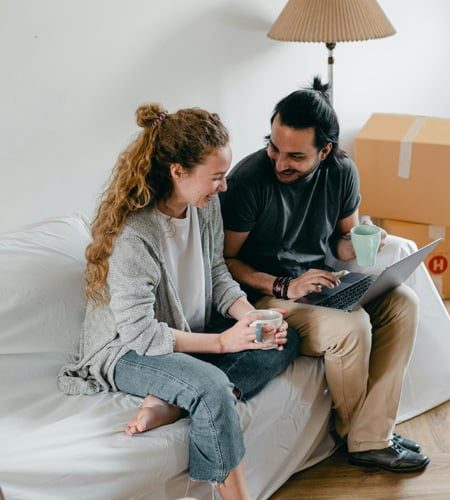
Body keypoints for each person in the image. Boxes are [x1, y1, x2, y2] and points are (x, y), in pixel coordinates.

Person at [57, 103, 300, 499]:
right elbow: (141, 333)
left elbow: (217, 271)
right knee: (212, 386)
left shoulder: (204, 207)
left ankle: (173, 403)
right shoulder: (135, 235)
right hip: (127, 350)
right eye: (216, 178)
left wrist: (251, 316)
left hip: (185, 330)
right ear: (178, 172)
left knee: (284, 338)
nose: (224, 187)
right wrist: (224, 343)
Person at [220, 78, 431, 473]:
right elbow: (227, 262)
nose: (280, 162)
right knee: (353, 330)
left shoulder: (342, 172)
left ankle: (372, 435)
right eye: (273, 146)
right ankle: (363, 438)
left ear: (325, 150)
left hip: (319, 285)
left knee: (404, 303)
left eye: (295, 156)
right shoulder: (249, 180)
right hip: (267, 296)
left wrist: (364, 243)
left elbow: (340, 242)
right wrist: (286, 285)